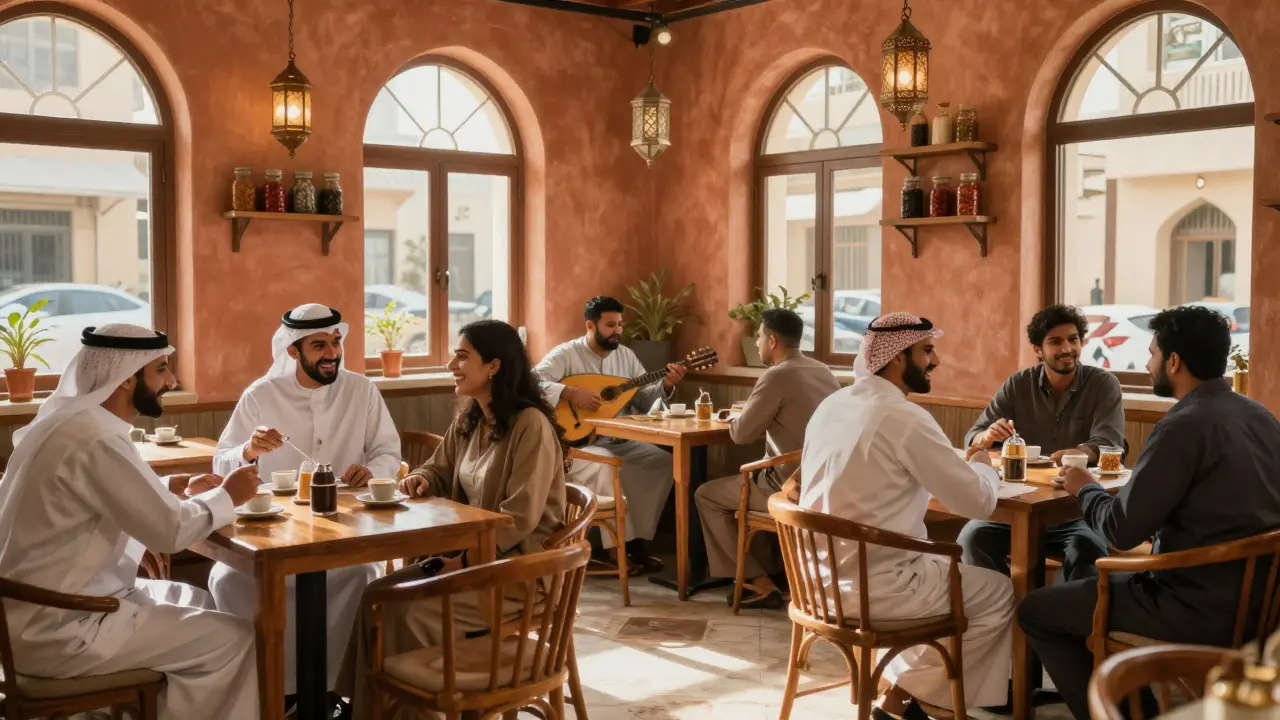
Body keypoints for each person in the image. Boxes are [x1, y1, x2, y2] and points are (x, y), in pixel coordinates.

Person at [1019, 305, 1280, 719]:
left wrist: (1083, 486)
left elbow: (1121, 531)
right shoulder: (1261, 416)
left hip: (1192, 604)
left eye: (1153, 351)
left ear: (1173, 361)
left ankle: (1117, 712)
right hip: (1263, 602)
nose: (1147, 361)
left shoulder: (1182, 426)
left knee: (1035, 610)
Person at [0, 325, 261, 720]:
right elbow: (170, 532)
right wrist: (230, 495)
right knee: (236, 639)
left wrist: (167, 485)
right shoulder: (97, 439)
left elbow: (94, 493)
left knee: (196, 599)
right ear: (126, 378)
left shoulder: (65, 423)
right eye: (161, 369)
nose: (171, 381)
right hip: (62, 627)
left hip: (25, 616)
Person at [337, 320, 567, 720]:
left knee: (405, 611)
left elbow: (520, 517)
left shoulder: (530, 426)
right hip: (468, 561)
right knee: (375, 596)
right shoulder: (471, 419)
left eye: (462, 356)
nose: (450, 364)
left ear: (493, 366)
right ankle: (364, 711)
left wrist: (461, 563)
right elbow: (436, 469)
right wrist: (420, 479)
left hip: (517, 574)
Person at [800, 312, 1013, 716]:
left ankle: (901, 700)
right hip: (875, 589)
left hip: (818, 581)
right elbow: (978, 504)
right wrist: (983, 463)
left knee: (944, 572)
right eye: (927, 351)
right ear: (898, 356)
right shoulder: (904, 416)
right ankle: (926, 701)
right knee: (998, 591)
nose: (936, 361)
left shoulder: (833, 405)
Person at [210, 303, 402, 714]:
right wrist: (247, 450)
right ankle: (268, 689)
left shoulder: (362, 390)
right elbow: (221, 460)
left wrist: (371, 471)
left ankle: (334, 691)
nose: (332, 352)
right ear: (293, 351)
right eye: (319, 345)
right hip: (272, 533)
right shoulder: (261, 395)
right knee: (228, 580)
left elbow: (388, 451)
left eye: (336, 342)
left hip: (346, 530)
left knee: (361, 575)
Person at [959, 304, 1123, 582]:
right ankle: (1005, 611)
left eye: (1073, 339)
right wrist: (987, 437)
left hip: (1076, 511)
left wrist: (1080, 452)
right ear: (1038, 349)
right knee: (971, 539)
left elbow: (1111, 444)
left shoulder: (1103, 384)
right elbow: (973, 437)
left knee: (1088, 550)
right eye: (1055, 342)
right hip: (1018, 510)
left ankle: (1057, 619)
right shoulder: (1018, 384)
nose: (1067, 348)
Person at [694, 308, 838, 609]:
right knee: (747, 484)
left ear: (772, 341)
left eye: (759, 336)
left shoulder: (777, 375)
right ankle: (775, 574)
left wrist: (735, 420)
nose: (757, 343)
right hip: (825, 481)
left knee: (706, 495)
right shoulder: (822, 370)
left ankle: (757, 582)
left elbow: (741, 435)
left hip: (787, 486)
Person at [534, 296, 687, 573]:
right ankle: (615, 552)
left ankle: (636, 544)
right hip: (575, 445)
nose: (617, 331)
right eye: (610, 325)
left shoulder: (625, 355)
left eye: (619, 325)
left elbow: (643, 399)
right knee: (607, 466)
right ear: (590, 325)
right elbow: (531, 382)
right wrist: (570, 392)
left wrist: (665, 385)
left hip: (617, 440)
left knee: (661, 462)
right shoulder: (566, 354)